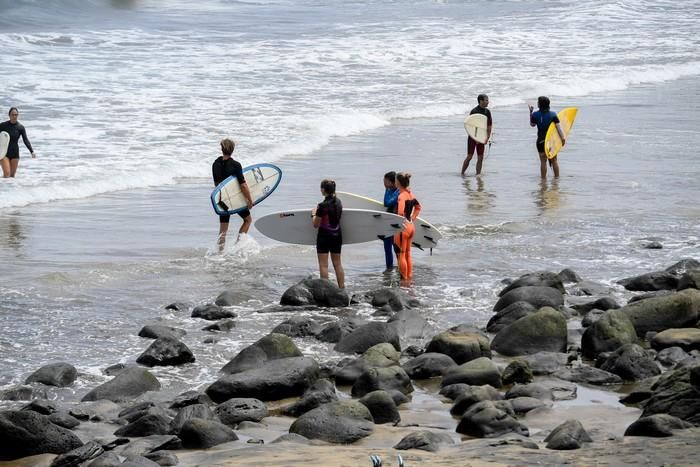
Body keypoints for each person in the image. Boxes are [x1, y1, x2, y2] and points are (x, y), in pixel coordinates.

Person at [212, 138, 253, 251]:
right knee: (248, 220)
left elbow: (216, 185)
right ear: (232, 150)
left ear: (222, 149)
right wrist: (249, 200)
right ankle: (237, 247)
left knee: (223, 230)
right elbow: (243, 185)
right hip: (235, 199)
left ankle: (219, 255)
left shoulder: (215, 164)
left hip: (222, 200)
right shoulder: (235, 165)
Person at [312, 179, 345, 288]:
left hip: (324, 237)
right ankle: (341, 288)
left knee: (324, 265)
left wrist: (313, 214)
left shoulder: (322, 206)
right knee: (338, 264)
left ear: (323, 190)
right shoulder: (339, 202)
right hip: (337, 236)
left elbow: (316, 224)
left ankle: (326, 290)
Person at [394, 172, 421, 282]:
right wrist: (412, 219)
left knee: (401, 254)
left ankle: (404, 280)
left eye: (395, 181)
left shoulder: (401, 196)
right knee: (408, 253)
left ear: (398, 183)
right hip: (411, 227)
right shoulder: (411, 194)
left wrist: (400, 222)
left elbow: (400, 212)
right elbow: (418, 207)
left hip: (403, 228)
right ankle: (409, 277)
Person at [529, 96, 565, 178]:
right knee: (554, 160)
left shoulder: (535, 114)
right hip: (551, 142)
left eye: (538, 102)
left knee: (543, 161)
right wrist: (563, 139)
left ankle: (543, 181)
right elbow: (559, 128)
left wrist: (530, 113)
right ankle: (557, 180)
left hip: (540, 141)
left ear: (540, 104)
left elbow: (532, 124)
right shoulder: (553, 115)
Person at [461, 94, 492, 176]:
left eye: (487, 100)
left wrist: (487, 137)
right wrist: (475, 138)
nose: (488, 102)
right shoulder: (474, 111)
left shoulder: (487, 112)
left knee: (480, 157)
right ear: (481, 101)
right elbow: (469, 126)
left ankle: (478, 175)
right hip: (473, 137)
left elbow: (489, 125)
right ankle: (462, 173)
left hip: (482, 137)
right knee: (470, 156)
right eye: (486, 100)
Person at [0, 107, 35, 178]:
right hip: (4, 153)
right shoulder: (3, 125)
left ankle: (7, 188)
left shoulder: (20, 127)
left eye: (16, 115)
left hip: (15, 153)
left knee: (12, 176)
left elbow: (25, 140)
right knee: (7, 174)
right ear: (9, 115)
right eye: (12, 115)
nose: (14, 116)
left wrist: (31, 151)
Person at [382, 171, 399, 271]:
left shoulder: (398, 192)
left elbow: (387, 203)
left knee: (397, 249)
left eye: (385, 181)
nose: (383, 183)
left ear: (391, 182)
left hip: (396, 224)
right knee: (387, 249)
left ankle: (401, 270)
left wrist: (386, 189)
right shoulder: (392, 190)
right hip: (389, 223)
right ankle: (389, 270)